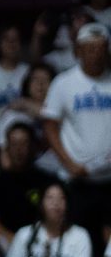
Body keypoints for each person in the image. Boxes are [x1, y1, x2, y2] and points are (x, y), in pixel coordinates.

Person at [43, 23, 111, 245]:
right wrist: (68, 162)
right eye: (90, 48)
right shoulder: (64, 82)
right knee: (79, 240)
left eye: (100, 48)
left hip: (110, 178)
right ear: (78, 50)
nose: (95, 54)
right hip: (77, 179)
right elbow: (50, 125)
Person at [6, 179, 93, 257]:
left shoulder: (80, 235)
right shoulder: (25, 234)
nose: (56, 203)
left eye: (61, 198)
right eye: (50, 198)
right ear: (41, 203)